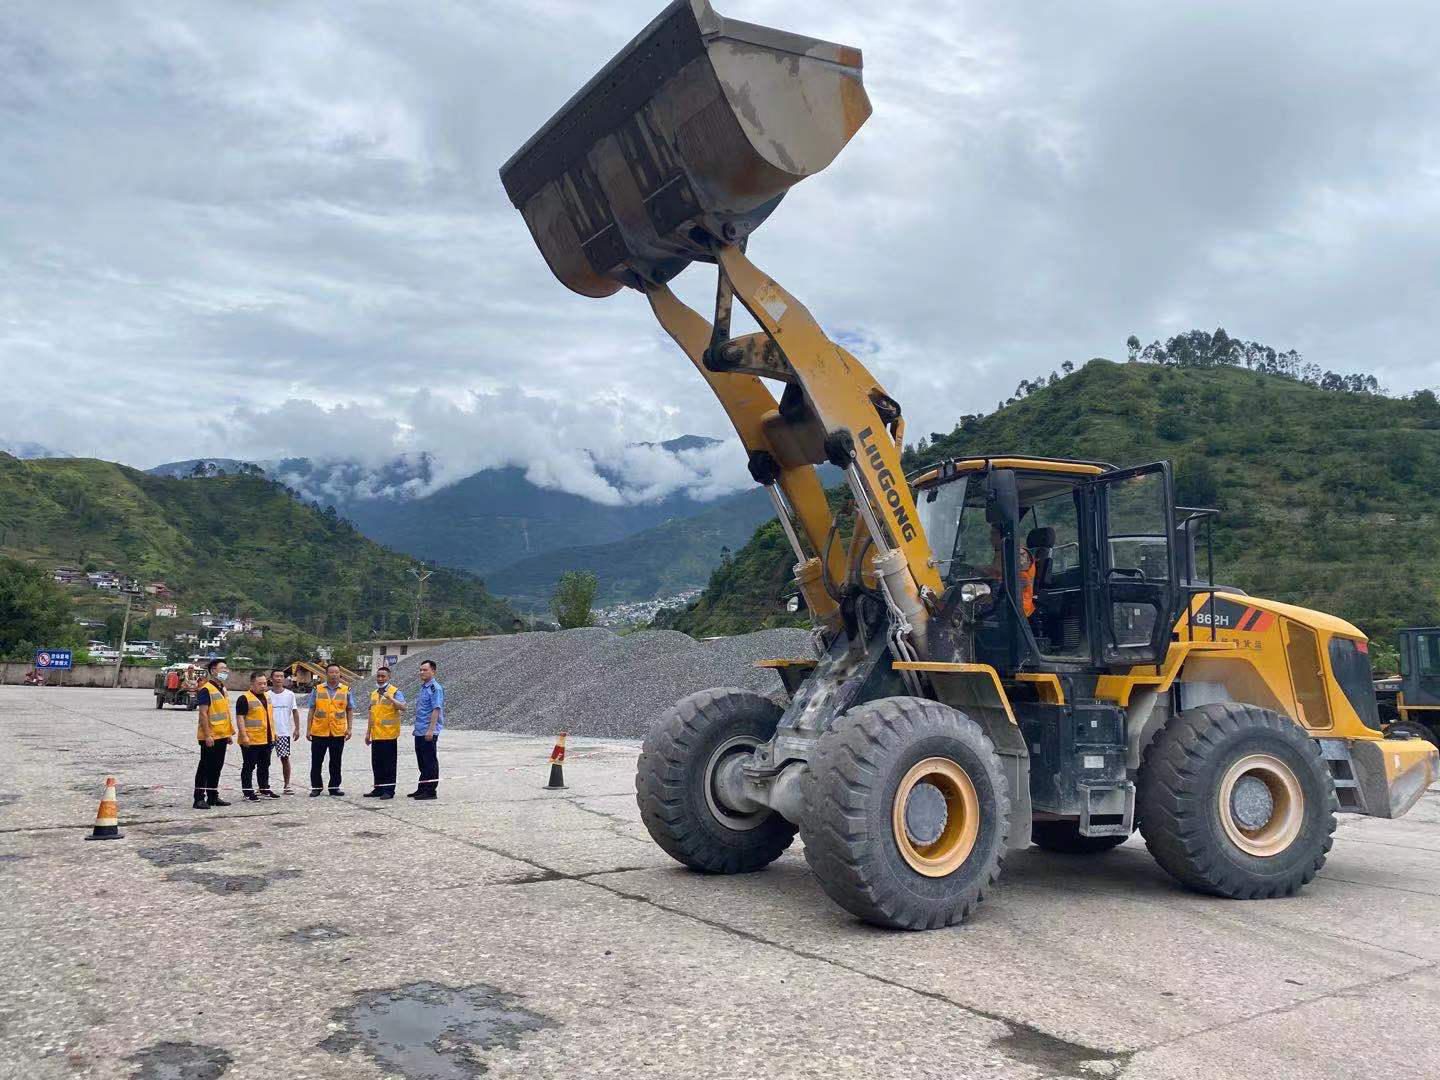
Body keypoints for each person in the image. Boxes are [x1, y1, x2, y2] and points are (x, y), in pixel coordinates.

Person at [307, 663, 352, 797]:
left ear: (340, 674)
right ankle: (316, 787)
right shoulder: (317, 689)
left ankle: (334, 787)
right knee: (316, 761)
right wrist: (308, 729)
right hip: (319, 732)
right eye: (331, 672)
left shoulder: (346, 690)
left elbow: (349, 709)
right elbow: (311, 710)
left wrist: (349, 728)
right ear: (326, 674)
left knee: (336, 761)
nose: (334, 675)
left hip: (337, 732)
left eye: (336, 672)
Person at [193, 659, 233, 809]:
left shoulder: (222, 689)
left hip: (222, 734)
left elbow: (225, 713)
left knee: (217, 767)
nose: (226, 671)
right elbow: (203, 714)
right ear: (213, 671)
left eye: (226, 668)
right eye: (222, 669)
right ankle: (198, 798)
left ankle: (212, 796)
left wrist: (229, 733)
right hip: (209, 736)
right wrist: (208, 734)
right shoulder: (206, 689)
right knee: (205, 767)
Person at [363, 666, 407, 799]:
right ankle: (378, 788)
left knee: (389, 765)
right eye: (378, 676)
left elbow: (403, 707)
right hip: (376, 735)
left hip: (389, 735)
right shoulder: (374, 693)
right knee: (377, 764)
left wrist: (391, 698)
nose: (380, 679)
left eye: (383, 676)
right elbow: (372, 714)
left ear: (389, 677)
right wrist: (367, 733)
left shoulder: (395, 692)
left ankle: (388, 790)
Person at [235, 671, 279, 801]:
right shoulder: (244, 698)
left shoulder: (267, 697)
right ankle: (248, 792)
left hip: (266, 738)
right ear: (252, 684)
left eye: (265, 683)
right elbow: (240, 718)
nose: (263, 686)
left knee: (265, 765)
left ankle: (264, 789)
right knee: (249, 766)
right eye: (260, 683)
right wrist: (244, 736)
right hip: (251, 739)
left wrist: (274, 734)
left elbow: (269, 718)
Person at [409, 659, 444, 800]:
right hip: (420, 730)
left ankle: (430, 791)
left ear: (433, 671)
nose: (421, 672)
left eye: (425, 670)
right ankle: (422, 787)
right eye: (420, 670)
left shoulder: (435, 688)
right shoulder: (424, 687)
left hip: (428, 731)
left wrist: (431, 730)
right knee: (422, 761)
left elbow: (436, 710)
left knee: (430, 761)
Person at [266, 668, 301, 794]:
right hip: (268, 733)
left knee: (285, 758)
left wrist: (297, 728)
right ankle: (263, 786)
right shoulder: (267, 695)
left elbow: (295, 712)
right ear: (271, 679)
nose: (279, 678)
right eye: (277, 676)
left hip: (283, 732)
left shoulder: (290, 694)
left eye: (281, 676)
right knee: (264, 760)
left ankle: (287, 785)